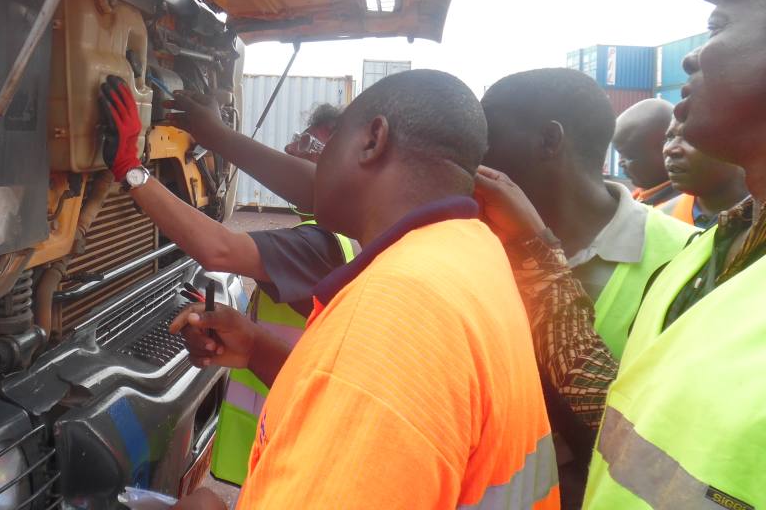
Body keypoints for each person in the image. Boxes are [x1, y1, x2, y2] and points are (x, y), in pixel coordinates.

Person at [170, 70, 558, 510]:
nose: (314, 167)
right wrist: (256, 347)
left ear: (373, 139)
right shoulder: (470, 250)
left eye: (331, 143)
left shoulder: (398, 308)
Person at [477, 0, 766, 509]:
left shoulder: (680, 246)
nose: (692, 57)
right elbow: (617, 408)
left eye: (719, 27)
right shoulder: (714, 250)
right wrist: (537, 253)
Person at [100, 81, 355, 484]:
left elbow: (218, 250)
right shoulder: (341, 237)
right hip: (284, 447)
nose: (290, 149)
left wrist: (131, 169)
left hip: (290, 457)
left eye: (308, 144)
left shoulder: (320, 246)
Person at [479, 68, 695, 359]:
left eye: (488, 138)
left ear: (549, 140)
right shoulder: (479, 242)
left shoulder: (689, 256)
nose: (476, 155)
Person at [659, 116, 748, 228]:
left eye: (691, 137)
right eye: (670, 137)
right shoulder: (661, 220)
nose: (669, 149)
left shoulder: (760, 219)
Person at [612, 98, 679, 205]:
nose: (620, 163)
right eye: (620, 154)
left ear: (668, 149)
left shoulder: (674, 206)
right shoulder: (641, 194)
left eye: (629, 156)